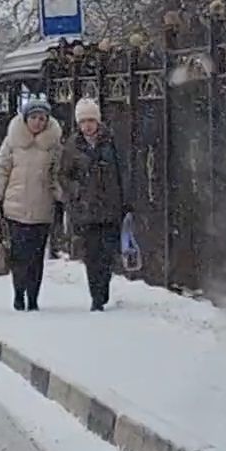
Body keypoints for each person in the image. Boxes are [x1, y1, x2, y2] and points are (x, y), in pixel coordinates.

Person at [57, 98, 128, 311]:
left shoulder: (110, 142)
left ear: (97, 121)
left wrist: (125, 200)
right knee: (91, 255)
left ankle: (103, 288)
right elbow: (63, 175)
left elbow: (122, 170)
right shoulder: (72, 146)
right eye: (83, 121)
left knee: (107, 254)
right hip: (85, 210)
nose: (88, 125)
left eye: (91, 120)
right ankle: (96, 297)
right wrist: (76, 191)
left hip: (109, 207)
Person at [0, 97, 62, 310]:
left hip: (42, 207)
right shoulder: (12, 141)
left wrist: (59, 199)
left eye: (42, 118)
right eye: (34, 117)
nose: (38, 122)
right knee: (19, 255)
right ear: (25, 119)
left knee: (36, 256)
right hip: (15, 208)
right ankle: (19, 292)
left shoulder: (53, 144)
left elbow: (57, 174)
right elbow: (1, 168)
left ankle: (33, 297)